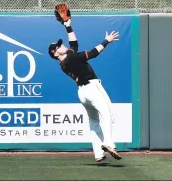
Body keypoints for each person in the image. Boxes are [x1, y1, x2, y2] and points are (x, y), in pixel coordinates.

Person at [48, 14, 122, 163]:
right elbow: (94, 53)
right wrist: (106, 41)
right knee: (108, 114)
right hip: (92, 88)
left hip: (82, 93)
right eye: (59, 46)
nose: (63, 46)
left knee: (94, 121)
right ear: (55, 53)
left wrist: (68, 26)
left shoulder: (64, 63)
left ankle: (98, 153)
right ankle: (108, 142)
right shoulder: (72, 58)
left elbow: (74, 45)